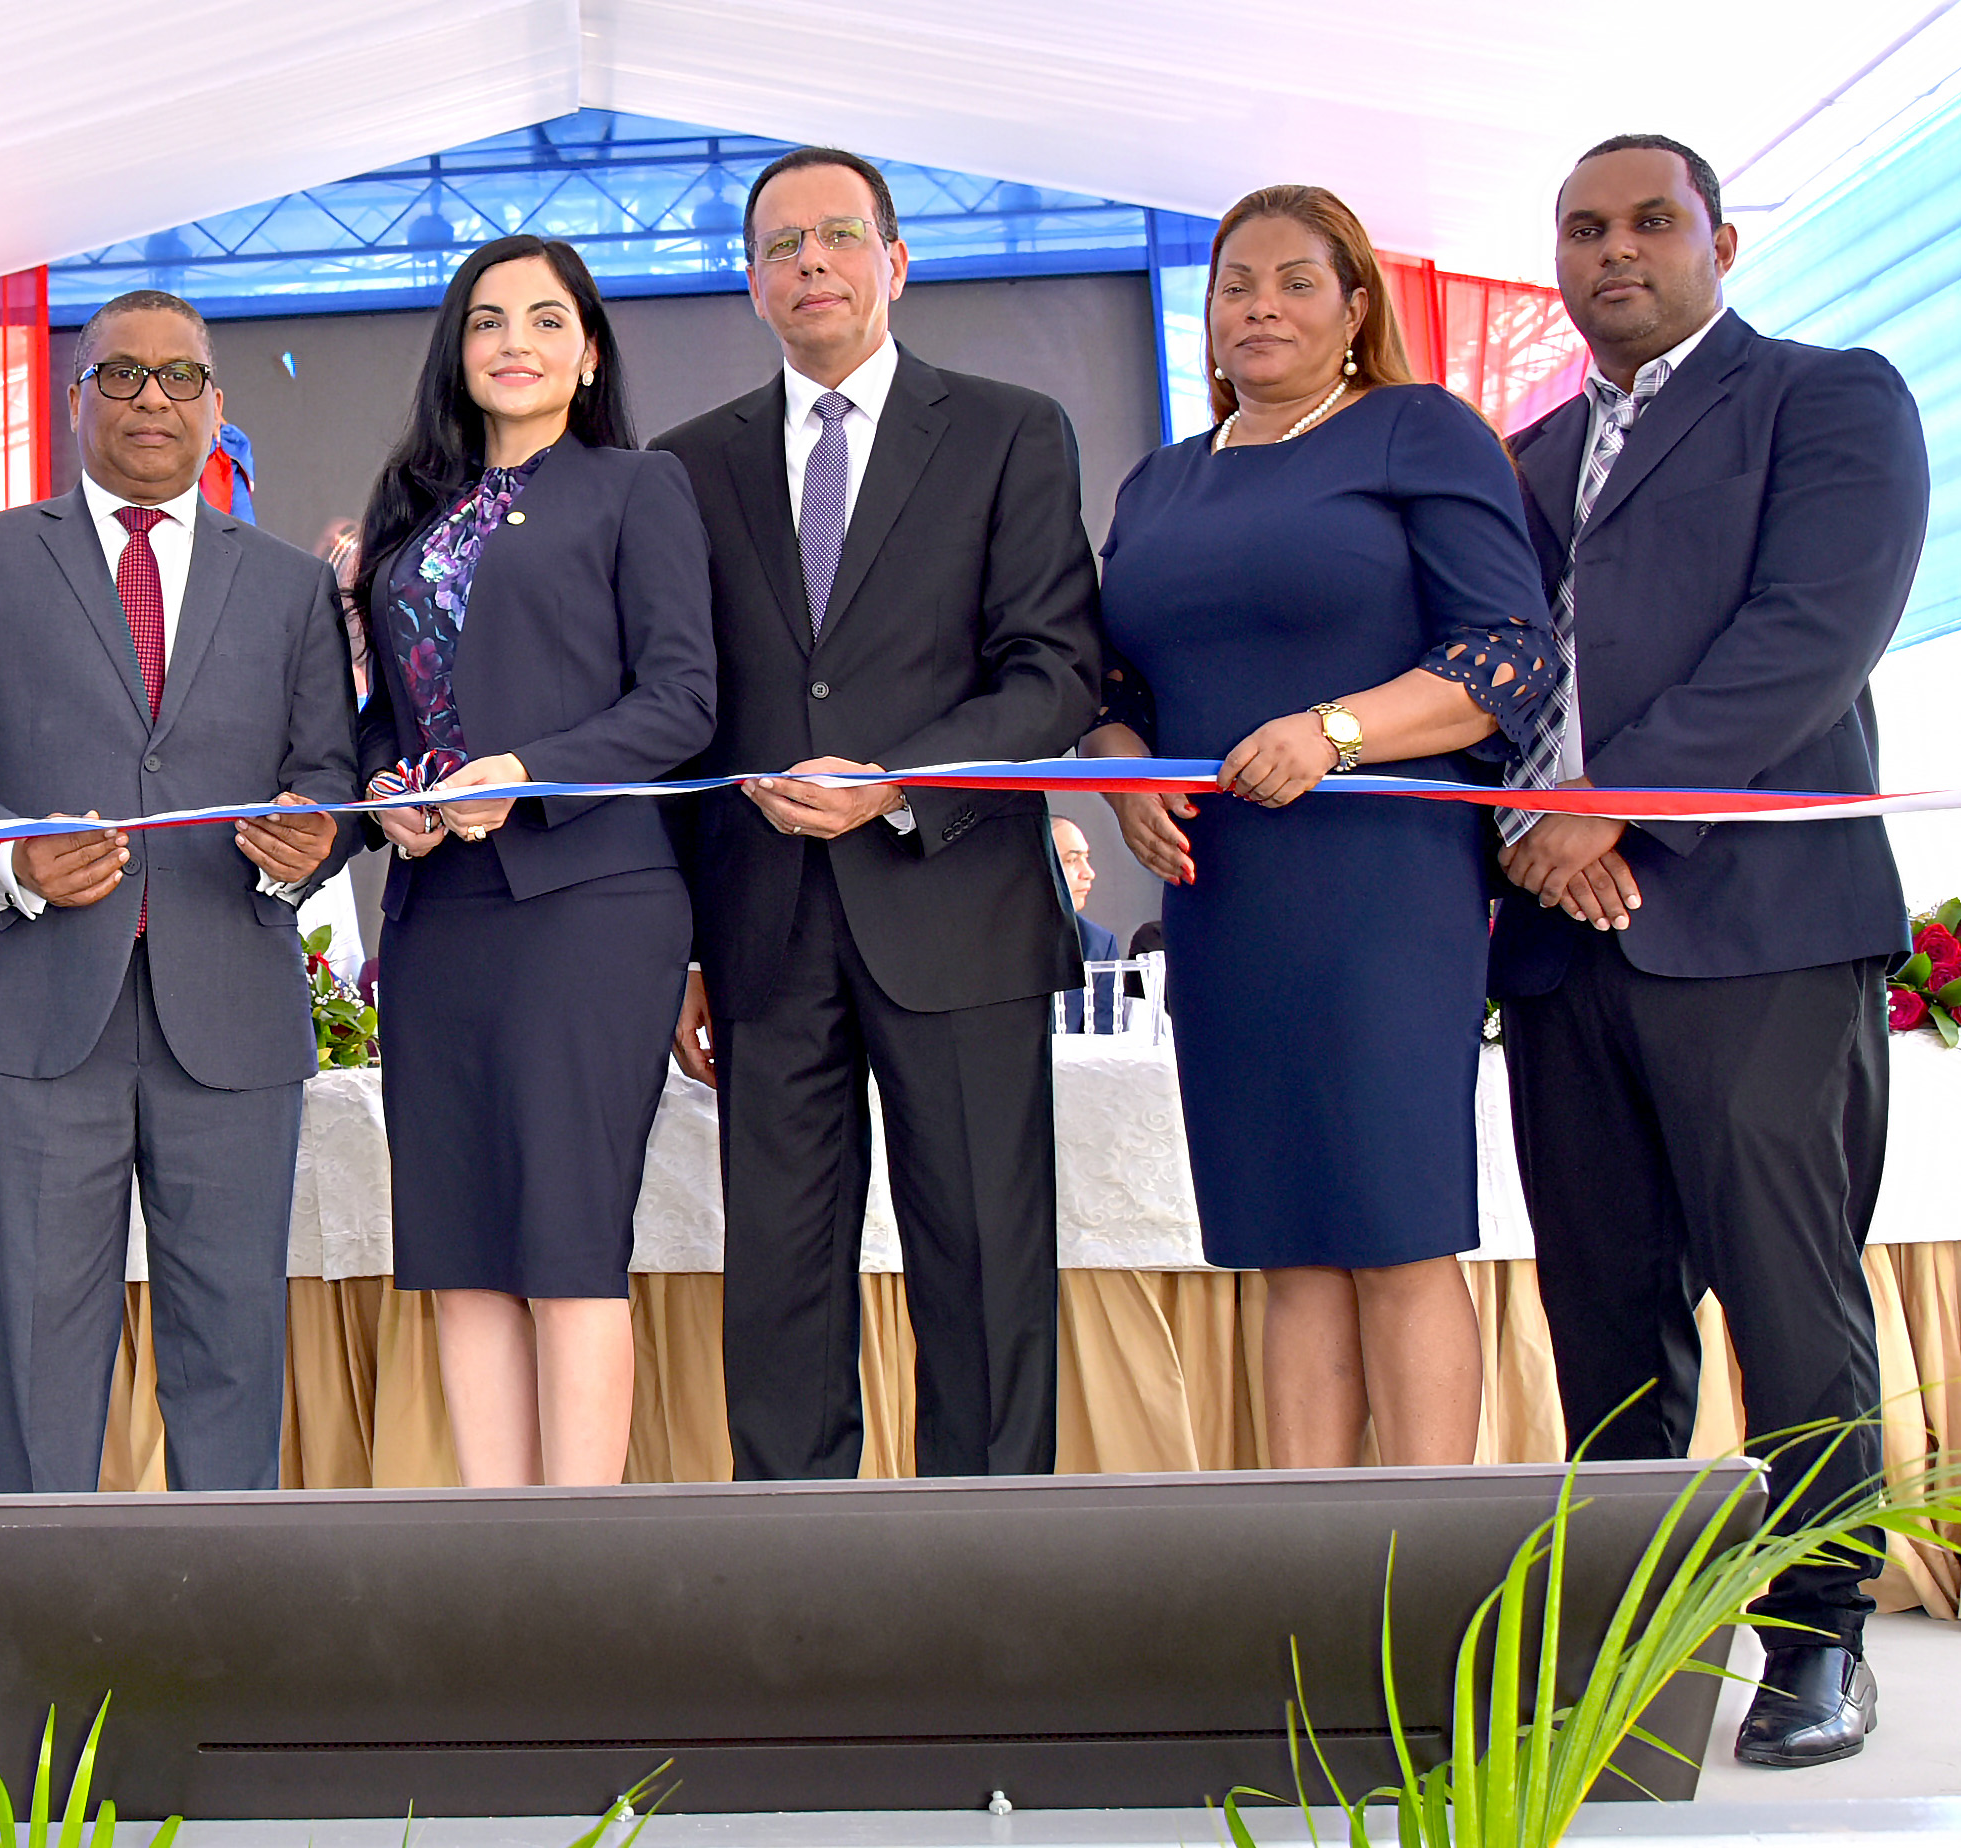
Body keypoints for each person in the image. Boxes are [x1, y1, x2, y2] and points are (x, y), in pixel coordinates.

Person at [1493, 135, 1928, 1768]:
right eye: (1581, 227)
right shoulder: (1524, 457)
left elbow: (1806, 636)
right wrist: (1531, 839)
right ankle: (1634, 1649)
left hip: (1758, 931)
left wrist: (1608, 810)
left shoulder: (1826, 399)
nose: (1613, 250)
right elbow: (1492, 678)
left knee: (1785, 1298)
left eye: (1648, 221)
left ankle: (1816, 1636)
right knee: (1606, 1318)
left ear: (1720, 241)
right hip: (1560, 941)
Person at [1081, 185, 1554, 1473]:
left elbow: (1507, 655)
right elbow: (1112, 686)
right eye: (1235, 283)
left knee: (1396, 1230)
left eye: (1297, 281)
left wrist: (1332, 731)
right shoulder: (1160, 481)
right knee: (1283, 1242)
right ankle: (1319, 1561)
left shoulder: (1418, 429)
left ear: (1354, 308)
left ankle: (1430, 1556)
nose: (1261, 306)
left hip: (1380, 884)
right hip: (1222, 892)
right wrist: (1121, 774)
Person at [652, 148, 1102, 1482]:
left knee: (984, 1274)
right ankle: (796, 1584)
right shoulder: (684, 466)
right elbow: (682, 713)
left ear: (894, 262)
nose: (810, 263)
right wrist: (684, 948)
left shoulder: (1009, 431)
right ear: (749, 284)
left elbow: (1054, 670)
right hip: (761, 931)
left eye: (838, 236)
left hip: (958, 908)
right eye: (779, 246)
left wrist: (898, 778)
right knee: (777, 1290)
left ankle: (992, 1573)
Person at [0, 288, 357, 1495]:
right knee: (37, 1364)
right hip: (39, 1012)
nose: (152, 397)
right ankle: (40, 1616)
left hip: (231, 1014)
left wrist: (311, 838)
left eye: (180, 376)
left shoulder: (289, 585)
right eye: (122, 373)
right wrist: (10, 855)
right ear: (72, 396)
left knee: (232, 1356)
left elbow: (328, 779)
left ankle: (221, 1610)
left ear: (216, 405)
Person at [351, 235, 717, 1488]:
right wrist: (384, 794)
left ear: (589, 352)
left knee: (565, 1240)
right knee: (459, 1250)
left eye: (547, 319)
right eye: (489, 319)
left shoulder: (637, 487)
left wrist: (528, 769)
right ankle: (495, 1558)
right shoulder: (410, 510)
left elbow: (681, 699)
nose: (516, 342)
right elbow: (386, 715)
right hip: (436, 911)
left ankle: (578, 1561)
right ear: (456, 351)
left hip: (588, 902)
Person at [1051, 815, 1126, 1035]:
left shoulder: (1097, 945)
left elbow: (1104, 1043)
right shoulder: (982, 939)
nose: (1089, 874)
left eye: (1086, 858)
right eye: (1072, 860)